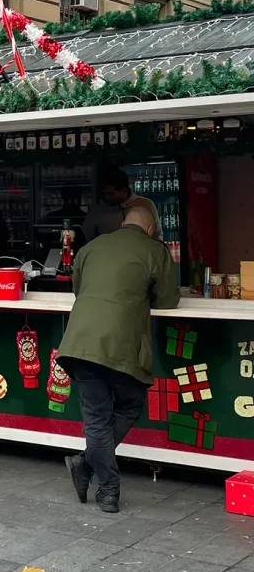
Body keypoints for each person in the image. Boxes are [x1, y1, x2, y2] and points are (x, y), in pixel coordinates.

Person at [57, 205, 179, 513]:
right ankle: (107, 489)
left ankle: (87, 465)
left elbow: (77, 288)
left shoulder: (91, 247)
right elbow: (167, 299)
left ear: (123, 223)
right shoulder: (155, 251)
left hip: (80, 342)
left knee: (97, 419)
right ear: (151, 229)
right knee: (130, 404)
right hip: (123, 346)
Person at [83, 168, 161, 242]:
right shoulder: (96, 211)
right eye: (104, 194)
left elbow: (157, 237)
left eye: (110, 194)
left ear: (123, 191)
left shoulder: (146, 204)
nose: (106, 197)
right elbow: (86, 239)